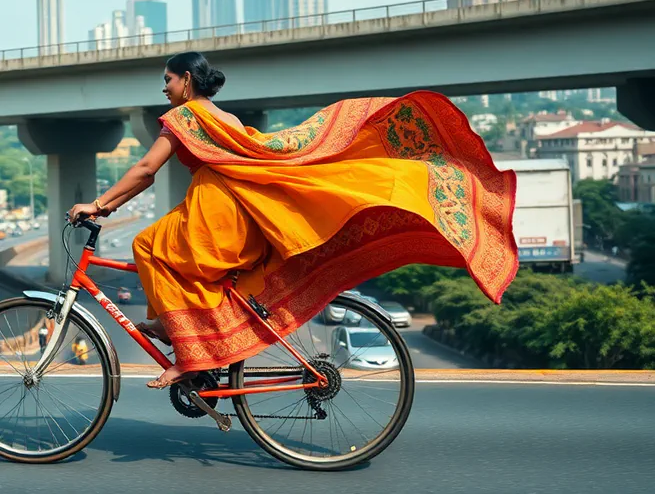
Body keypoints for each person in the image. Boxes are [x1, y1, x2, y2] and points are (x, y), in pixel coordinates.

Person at [69, 51, 519, 389]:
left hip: (218, 212)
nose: (163, 89)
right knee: (174, 258)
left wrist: (100, 205)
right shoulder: (223, 116)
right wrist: (109, 204)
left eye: (167, 80)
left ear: (187, 80)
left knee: (150, 247)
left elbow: (146, 170)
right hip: (244, 216)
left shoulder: (184, 117)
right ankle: (177, 330)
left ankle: (189, 353)